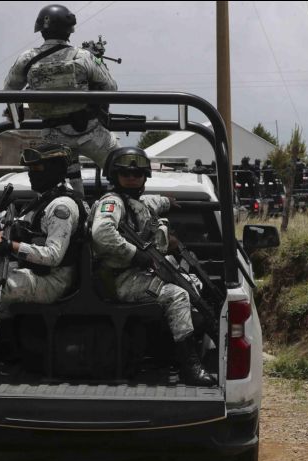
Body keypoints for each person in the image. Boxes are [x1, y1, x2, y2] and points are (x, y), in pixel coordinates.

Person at [0, 143, 87, 387]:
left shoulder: (61, 207)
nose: (32, 174)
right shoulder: (41, 200)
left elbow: (53, 256)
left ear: (56, 170)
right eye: (30, 169)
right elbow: (23, 228)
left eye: (38, 169)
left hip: (54, 279)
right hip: (31, 272)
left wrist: (12, 247)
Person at [90, 147, 216, 386]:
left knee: (192, 285)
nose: (132, 178)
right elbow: (102, 233)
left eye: (138, 174)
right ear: (114, 176)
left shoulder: (138, 203)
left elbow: (152, 202)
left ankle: (170, 356)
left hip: (140, 275)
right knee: (177, 295)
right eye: (126, 174)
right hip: (120, 280)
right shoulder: (112, 202)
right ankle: (190, 366)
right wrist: (134, 254)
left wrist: (168, 201)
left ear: (145, 177)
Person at [4, 4, 119, 196]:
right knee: (124, 166)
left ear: (41, 30)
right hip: (90, 133)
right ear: (70, 30)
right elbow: (111, 89)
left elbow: (9, 90)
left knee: (49, 189)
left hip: (52, 136)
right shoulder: (84, 57)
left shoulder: (27, 59)